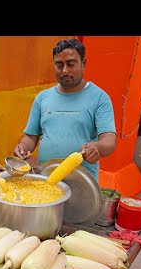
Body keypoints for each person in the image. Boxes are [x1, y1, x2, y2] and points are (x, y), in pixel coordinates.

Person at [13, 38, 116, 182]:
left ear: (83, 64)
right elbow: (31, 136)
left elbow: (109, 141)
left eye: (71, 64)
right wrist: (23, 147)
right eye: (59, 65)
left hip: (83, 183)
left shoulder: (99, 98)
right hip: (46, 179)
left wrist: (97, 147)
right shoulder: (43, 97)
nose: (65, 71)